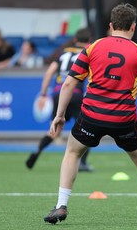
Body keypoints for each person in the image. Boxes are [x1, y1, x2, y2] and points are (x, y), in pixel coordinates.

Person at [43, 3, 137, 226]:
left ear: (110, 26)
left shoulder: (92, 48)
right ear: (134, 27)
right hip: (124, 119)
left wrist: (59, 115)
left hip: (91, 116)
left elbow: (70, 82)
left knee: (72, 152)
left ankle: (61, 205)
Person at [25, 28, 93, 172]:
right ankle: (82, 162)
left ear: (75, 39)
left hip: (59, 94)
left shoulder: (63, 53)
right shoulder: (87, 53)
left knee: (54, 130)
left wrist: (43, 94)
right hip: (76, 94)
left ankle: (38, 151)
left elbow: (49, 73)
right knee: (88, 129)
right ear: (88, 41)